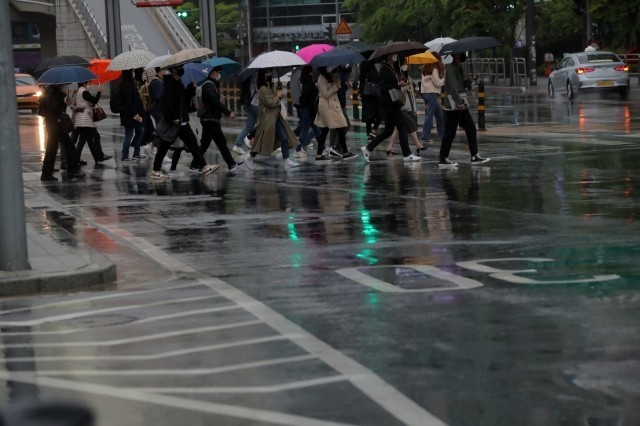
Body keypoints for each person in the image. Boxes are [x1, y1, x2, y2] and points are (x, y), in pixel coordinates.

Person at [149, 64, 220, 180]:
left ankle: (205, 166)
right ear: (173, 70)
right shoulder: (169, 84)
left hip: (181, 121)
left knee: (193, 144)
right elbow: (165, 104)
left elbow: (184, 100)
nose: (182, 69)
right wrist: (173, 118)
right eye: (179, 67)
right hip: (174, 122)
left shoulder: (177, 82)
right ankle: (155, 170)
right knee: (164, 147)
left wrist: (191, 89)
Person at [361, 53, 420, 163]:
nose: (395, 56)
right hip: (390, 103)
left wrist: (402, 76)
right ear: (388, 57)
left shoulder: (392, 68)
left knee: (388, 130)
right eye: (393, 55)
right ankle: (407, 154)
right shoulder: (384, 69)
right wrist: (398, 84)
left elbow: (397, 81)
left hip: (392, 103)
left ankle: (368, 148)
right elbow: (384, 87)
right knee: (402, 127)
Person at [439, 52, 490, 168]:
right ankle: (443, 159)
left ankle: (474, 156)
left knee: (471, 128)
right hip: (453, 106)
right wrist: (459, 102)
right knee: (449, 133)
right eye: (462, 54)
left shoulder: (458, 67)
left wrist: (469, 81)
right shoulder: (451, 69)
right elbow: (452, 88)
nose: (464, 56)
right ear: (456, 56)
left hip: (460, 106)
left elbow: (459, 85)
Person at [190, 65, 244, 173]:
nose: (220, 75)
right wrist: (228, 113)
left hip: (212, 119)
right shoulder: (209, 85)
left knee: (221, 143)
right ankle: (194, 165)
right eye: (219, 72)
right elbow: (215, 102)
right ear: (214, 72)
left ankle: (231, 164)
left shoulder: (211, 85)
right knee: (205, 144)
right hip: (209, 119)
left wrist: (219, 98)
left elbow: (214, 101)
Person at [244, 68, 299, 170]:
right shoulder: (262, 89)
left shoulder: (270, 86)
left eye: (270, 72)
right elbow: (271, 103)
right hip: (268, 120)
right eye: (267, 72)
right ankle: (250, 156)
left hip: (276, 117)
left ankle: (287, 160)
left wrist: (278, 93)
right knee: (261, 141)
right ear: (263, 75)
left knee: (283, 138)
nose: (270, 74)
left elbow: (275, 100)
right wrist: (278, 96)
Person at [39, 84, 85, 181]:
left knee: (51, 150)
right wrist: (66, 103)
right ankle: (73, 171)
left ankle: (46, 174)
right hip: (57, 126)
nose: (65, 86)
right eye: (64, 85)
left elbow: (43, 110)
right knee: (70, 147)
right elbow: (55, 108)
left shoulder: (47, 92)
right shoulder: (55, 93)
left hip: (51, 125)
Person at [314, 66, 357, 161]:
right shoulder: (322, 78)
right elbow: (325, 94)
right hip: (327, 106)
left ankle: (319, 155)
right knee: (341, 126)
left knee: (324, 131)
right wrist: (336, 86)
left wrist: (338, 83)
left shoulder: (330, 76)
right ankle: (345, 152)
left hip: (332, 106)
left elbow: (337, 88)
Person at [385, 67, 425, 156]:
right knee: (410, 125)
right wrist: (405, 88)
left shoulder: (408, 76)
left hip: (411, 105)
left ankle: (390, 147)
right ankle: (417, 145)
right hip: (404, 107)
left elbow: (412, 90)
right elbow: (397, 91)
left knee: (399, 128)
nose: (406, 66)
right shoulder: (398, 77)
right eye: (404, 64)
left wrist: (411, 88)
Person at [73, 81, 112, 165]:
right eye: (89, 82)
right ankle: (100, 156)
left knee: (83, 140)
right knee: (96, 136)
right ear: (84, 83)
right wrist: (99, 92)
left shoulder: (80, 90)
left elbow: (90, 102)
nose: (89, 83)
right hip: (85, 119)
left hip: (82, 119)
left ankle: (76, 159)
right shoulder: (84, 91)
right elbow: (95, 100)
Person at [294, 65, 320, 159]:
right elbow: (304, 99)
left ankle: (322, 148)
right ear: (309, 72)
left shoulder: (306, 83)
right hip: (308, 111)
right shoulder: (309, 84)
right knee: (305, 131)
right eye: (311, 71)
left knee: (317, 130)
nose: (313, 73)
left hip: (309, 110)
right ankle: (298, 149)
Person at [118, 69, 145, 161]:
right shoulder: (127, 85)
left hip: (131, 113)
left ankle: (136, 153)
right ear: (128, 73)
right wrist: (135, 113)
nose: (133, 73)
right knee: (129, 134)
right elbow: (128, 101)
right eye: (132, 71)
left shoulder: (129, 84)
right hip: (129, 114)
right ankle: (125, 155)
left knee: (140, 130)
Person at [420, 52, 445, 142]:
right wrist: (444, 78)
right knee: (429, 115)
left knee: (439, 114)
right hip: (432, 94)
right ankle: (425, 137)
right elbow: (437, 83)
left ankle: (442, 134)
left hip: (425, 93)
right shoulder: (434, 69)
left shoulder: (424, 67)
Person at [232, 72, 259, 155]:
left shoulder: (250, 75)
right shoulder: (257, 74)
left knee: (249, 126)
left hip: (249, 103)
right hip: (256, 103)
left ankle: (237, 144)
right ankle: (249, 137)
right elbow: (259, 89)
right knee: (267, 122)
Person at [329, 64, 352, 153]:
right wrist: (339, 85)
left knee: (336, 126)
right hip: (336, 102)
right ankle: (335, 146)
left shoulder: (342, 72)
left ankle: (335, 146)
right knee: (345, 124)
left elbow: (342, 88)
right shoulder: (336, 72)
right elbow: (334, 89)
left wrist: (346, 85)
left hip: (341, 102)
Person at [359, 60, 382, 140]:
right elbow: (366, 78)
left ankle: (371, 131)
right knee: (373, 113)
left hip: (370, 93)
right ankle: (372, 131)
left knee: (372, 114)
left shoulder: (373, 65)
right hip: (371, 92)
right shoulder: (368, 65)